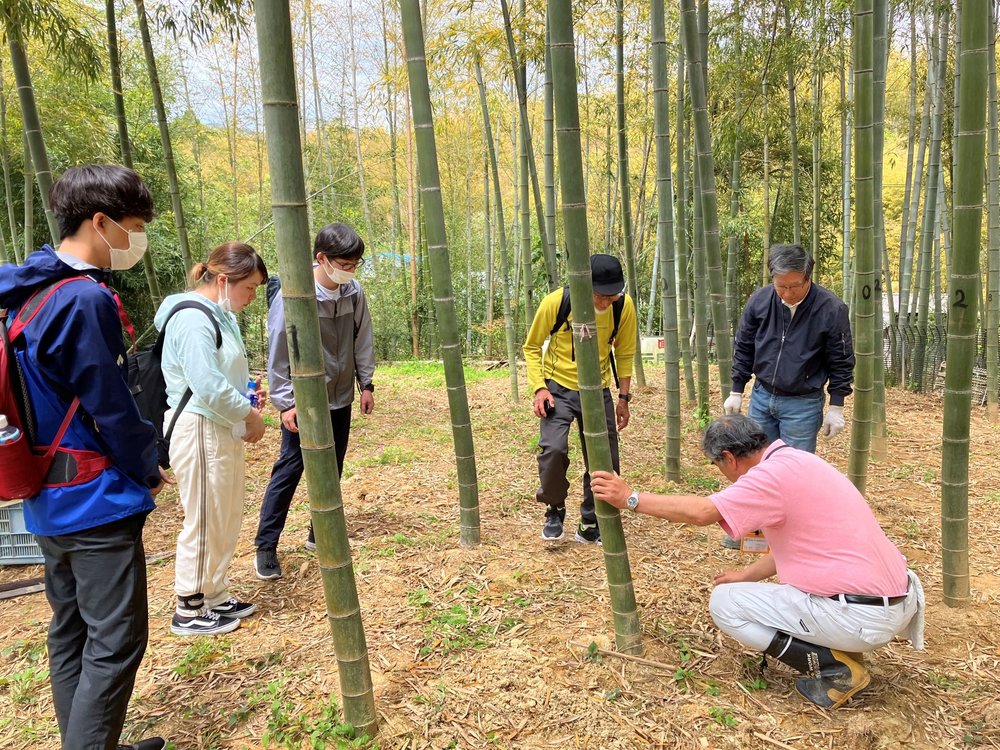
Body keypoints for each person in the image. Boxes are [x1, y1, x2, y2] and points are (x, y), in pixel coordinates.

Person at [591, 415, 924, 710]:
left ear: (728, 458)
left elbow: (703, 512)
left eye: (716, 465)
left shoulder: (767, 478)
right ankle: (843, 650)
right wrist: (745, 575)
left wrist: (630, 498)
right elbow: (792, 549)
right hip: (896, 601)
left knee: (725, 604)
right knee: (745, 591)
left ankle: (837, 670)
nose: (721, 473)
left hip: (862, 616)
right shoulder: (798, 461)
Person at [0, 165, 168, 749]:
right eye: (136, 226)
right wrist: (148, 464)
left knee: (71, 630)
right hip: (94, 502)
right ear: (101, 223)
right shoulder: (83, 300)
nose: (139, 240)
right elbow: (113, 409)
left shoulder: (24, 293)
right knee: (115, 642)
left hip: (43, 494)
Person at [157, 242, 268, 635]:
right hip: (200, 426)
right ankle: (188, 606)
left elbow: (225, 375)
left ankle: (214, 595)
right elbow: (205, 385)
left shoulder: (220, 314)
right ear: (223, 280)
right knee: (204, 517)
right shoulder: (191, 318)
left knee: (226, 513)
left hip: (221, 425)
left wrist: (248, 396)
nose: (252, 297)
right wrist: (250, 414)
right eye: (249, 288)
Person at [253, 223, 375, 580]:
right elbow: (278, 352)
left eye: (356, 264)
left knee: (332, 466)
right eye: (345, 263)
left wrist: (366, 383)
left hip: (341, 397)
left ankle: (317, 533)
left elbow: (362, 338)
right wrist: (285, 402)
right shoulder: (295, 293)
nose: (350, 271)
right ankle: (265, 545)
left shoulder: (353, 292)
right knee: (290, 469)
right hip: (305, 401)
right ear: (322, 258)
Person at [523, 253, 637, 544]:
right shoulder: (556, 302)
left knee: (604, 460)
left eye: (611, 296)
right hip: (558, 388)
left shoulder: (622, 306)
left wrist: (623, 397)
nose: (604, 302)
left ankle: (591, 519)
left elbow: (624, 353)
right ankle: (554, 507)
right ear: (584, 285)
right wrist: (539, 387)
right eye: (600, 295)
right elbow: (532, 347)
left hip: (597, 390)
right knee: (553, 450)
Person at [724, 243, 854, 454]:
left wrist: (836, 407)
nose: (786, 293)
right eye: (780, 286)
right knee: (759, 461)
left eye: (794, 286)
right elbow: (744, 346)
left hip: (803, 404)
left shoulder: (831, 309)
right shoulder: (760, 300)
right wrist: (736, 390)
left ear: (807, 277)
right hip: (761, 396)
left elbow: (841, 360)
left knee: (795, 467)